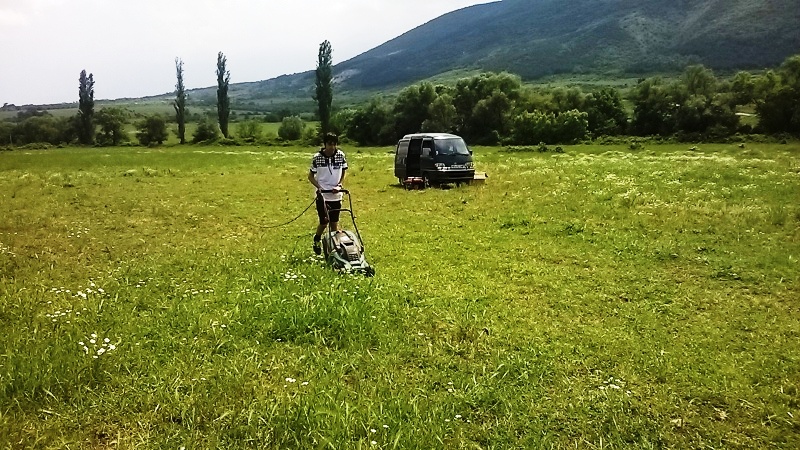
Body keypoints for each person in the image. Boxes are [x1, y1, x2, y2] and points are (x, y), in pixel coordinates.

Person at [308, 132, 347, 255]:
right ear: (324, 144)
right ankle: (317, 239)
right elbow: (310, 176)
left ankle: (334, 249)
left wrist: (339, 185)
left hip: (336, 195)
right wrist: (319, 188)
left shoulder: (340, 155)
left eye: (334, 144)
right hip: (323, 196)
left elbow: (344, 172)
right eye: (330, 144)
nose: (332, 147)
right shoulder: (317, 157)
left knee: (334, 223)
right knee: (324, 222)